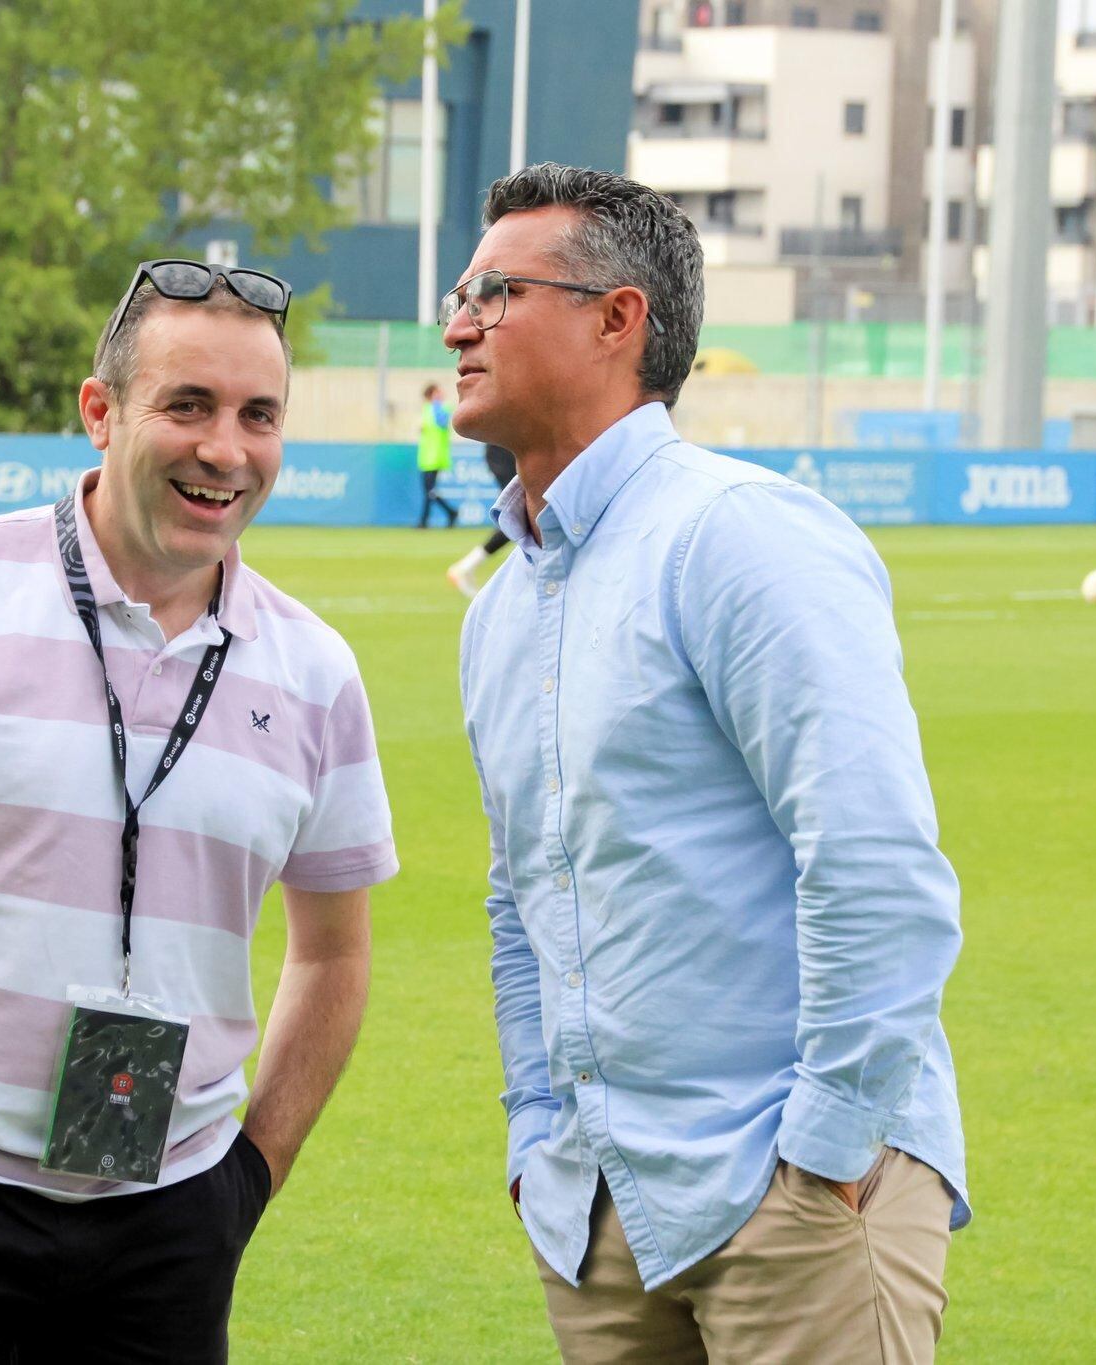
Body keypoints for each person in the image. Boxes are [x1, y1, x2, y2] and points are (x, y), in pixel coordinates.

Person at [0, 259, 397, 1363]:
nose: (225, 450)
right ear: (99, 412)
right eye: (187, 406)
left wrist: (245, 1180)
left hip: (173, 1217)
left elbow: (333, 953)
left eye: (259, 415)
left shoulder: (316, 671)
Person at [448, 164, 968, 1362]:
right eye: (457, 293)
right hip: (596, 1212)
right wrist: (536, 1132)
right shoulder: (500, 607)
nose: (456, 322)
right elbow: (520, 894)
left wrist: (826, 1150)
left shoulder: (735, 536)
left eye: (494, 290)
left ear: (615, 319)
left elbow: (872, 858)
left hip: (786, 1198)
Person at [445, 442, 517, 596]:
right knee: (515, 515)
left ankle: (466, 567)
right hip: (503, 449)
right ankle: (464, 567)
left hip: (507, 449)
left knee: (517, 516)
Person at [415, 381, 460, 528]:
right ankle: (449, 513)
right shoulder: (426, 410)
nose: (441, 394)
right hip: (426, 457)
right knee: (429, 491)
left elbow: (441, 422)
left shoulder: (441, 409)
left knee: (429, 490)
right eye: (437, 392)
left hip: (435, 457)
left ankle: (425, 521)